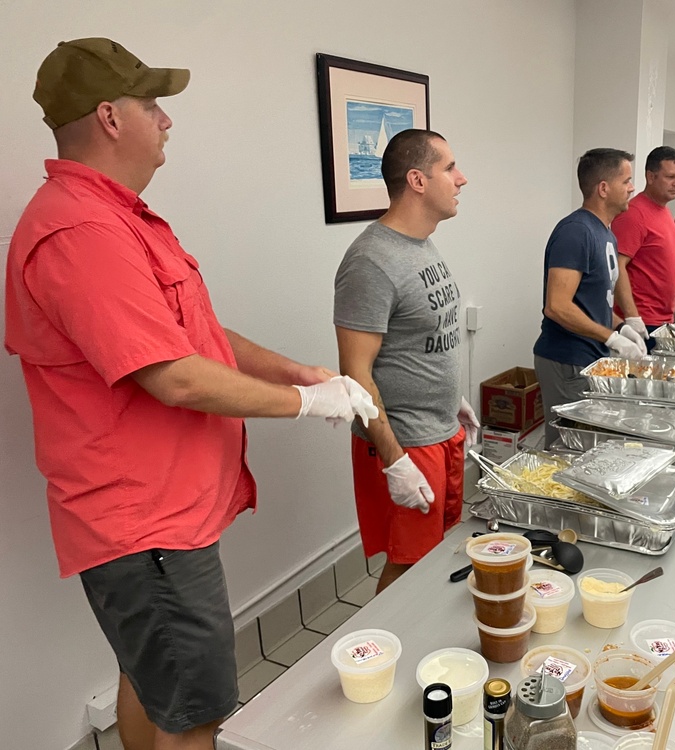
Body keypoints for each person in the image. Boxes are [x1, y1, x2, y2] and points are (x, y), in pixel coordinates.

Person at [4, 38, 377, 750]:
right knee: (197, 713)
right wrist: (309, 407)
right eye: (152, 106)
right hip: (144, 528)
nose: (165, 121)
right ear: (110, 118)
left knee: (152, 680)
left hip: (161, 520)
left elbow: (193, 334)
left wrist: (297, 373)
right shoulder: (80, 229)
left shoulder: (119, 217)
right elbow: (171, 375)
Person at [335, 129, 479, 593]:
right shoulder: (370, 262)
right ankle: (381, 656)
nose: (462, 179)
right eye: (450, 168)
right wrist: (396, 462)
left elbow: (420, 335)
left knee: (435, 552)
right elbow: (355, 375)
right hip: (404, 441)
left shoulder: (420, 244)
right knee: (408, 568)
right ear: (418, 180)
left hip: (439, 429)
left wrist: (447, 395)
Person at [533, 148, 647, 447]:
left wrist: (624, 326)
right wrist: (611, 338)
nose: (632, 188)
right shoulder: (576, 232)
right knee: (568, 446)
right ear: (604, 188)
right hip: (567, 360)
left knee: (590, 444)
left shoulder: (605, 232)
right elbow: (557, 306)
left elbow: (592, 301)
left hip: (590, 357)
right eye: (627, 180)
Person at [611, 146, 675, 342]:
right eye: (670, 177)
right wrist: (631, 316)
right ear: (651, 177)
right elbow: (617, 266)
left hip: (665, 318)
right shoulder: (634, 214)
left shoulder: (664, 211)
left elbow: (667, 264)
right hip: (644, 321)